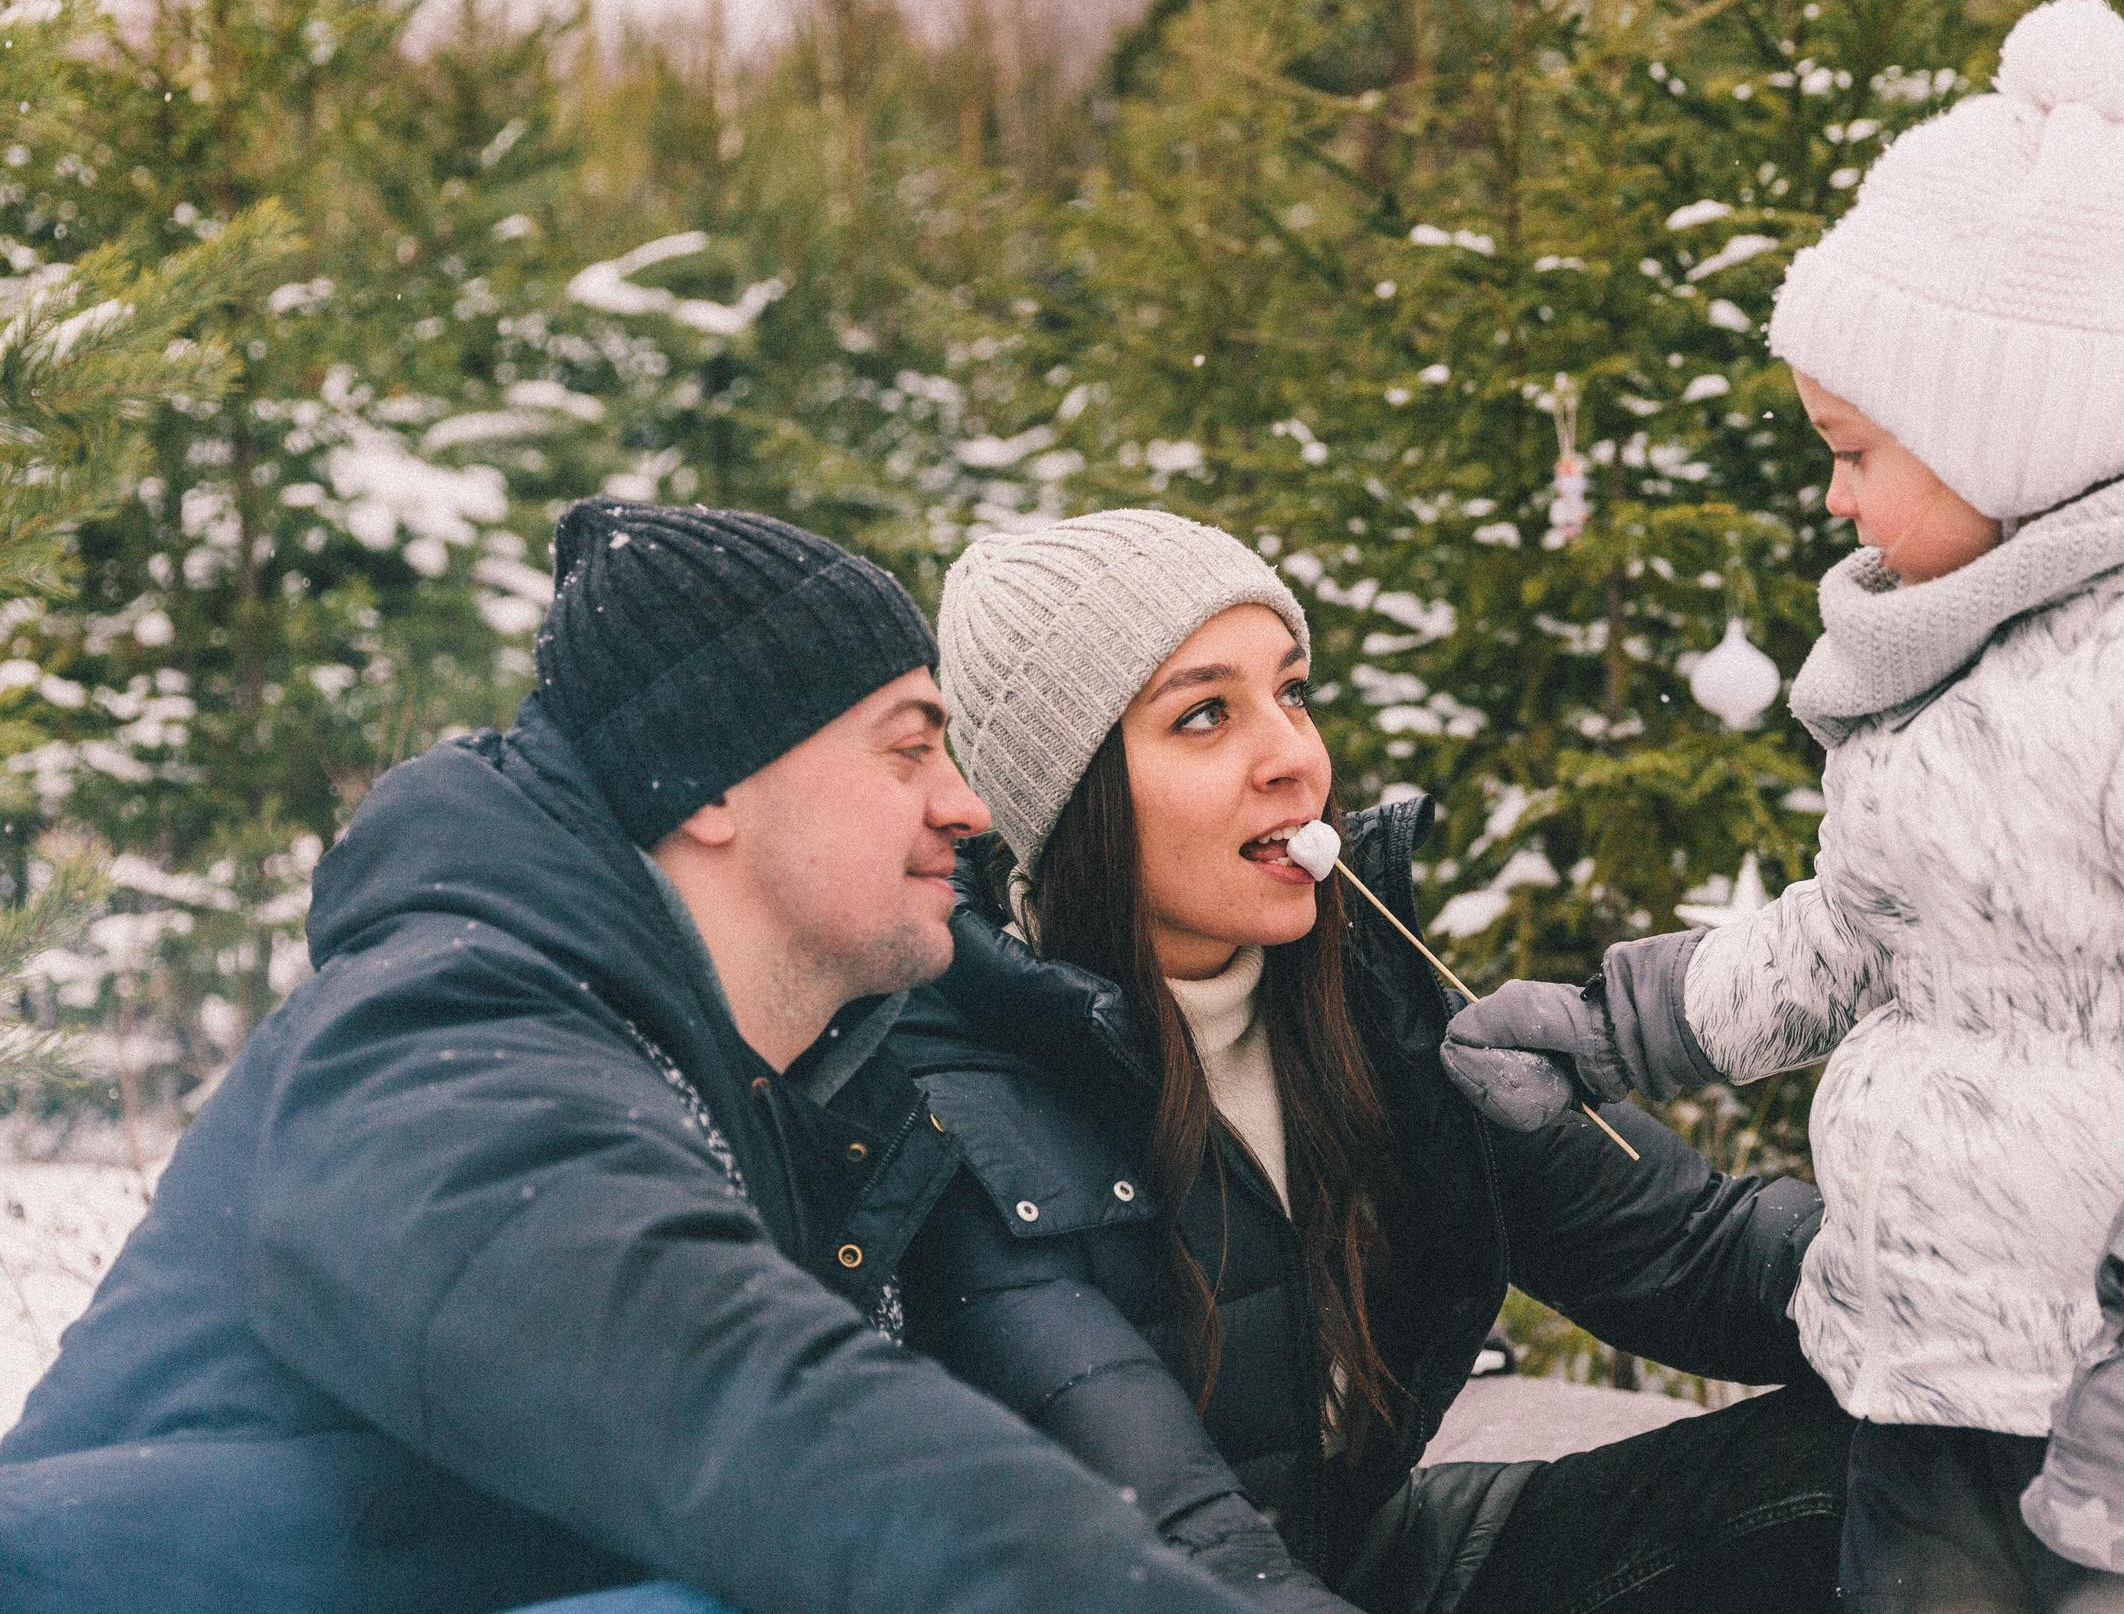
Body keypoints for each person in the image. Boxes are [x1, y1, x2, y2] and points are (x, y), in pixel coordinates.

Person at [1436, 0, 2124, 1614]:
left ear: (2017, 429)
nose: (1833, 496)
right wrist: (1614, 1024)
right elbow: (1851, 929)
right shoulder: (1960, 655)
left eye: (1855, 449)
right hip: (1930, 1378)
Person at [0, 498, 1269, 1614]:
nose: (964, 804)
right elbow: (748, 1413)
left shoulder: (743, 1075)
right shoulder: (446, 1032)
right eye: (905, 746)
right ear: (710, 785)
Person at [877, 507, 1854, 1614]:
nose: (1293, 755)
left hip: (1371, 1566)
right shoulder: (958, 1093)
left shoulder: (1365, 989)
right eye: (1204, 715)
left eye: (1289, 691)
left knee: (1902, 1461)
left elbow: (1688, 1251)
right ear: (1071, 797)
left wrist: (1991, 1295)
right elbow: (1168, 1540)